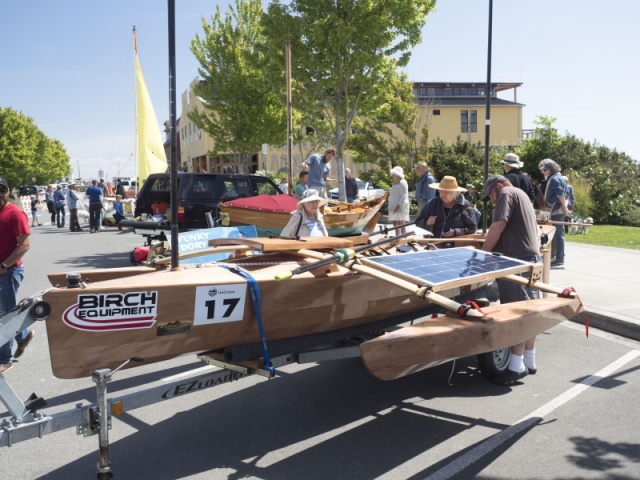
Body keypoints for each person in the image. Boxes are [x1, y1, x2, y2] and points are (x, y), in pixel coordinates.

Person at [480, 174, 542, 386]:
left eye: (492, 196)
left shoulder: (507, 193)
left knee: (517, 313)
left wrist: (483, 253)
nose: (494, 200)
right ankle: (530, 361)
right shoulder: (523, 194)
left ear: (498, 187)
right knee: (530, 311)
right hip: (532, 259)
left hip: (516, 260)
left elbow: (499, 225)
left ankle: (516, 367)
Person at [0, 177, 34, 374]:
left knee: (5, 316)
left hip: (9, 271)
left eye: (2, 190)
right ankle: (23, 335)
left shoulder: (14, 213)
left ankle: (5, 359)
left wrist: (4, 266)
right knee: (6, 313)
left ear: (8, 191)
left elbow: (25, 244)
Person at [538, 159, 570, 267]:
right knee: (557, 234)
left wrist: (565, 207)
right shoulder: (558, 177)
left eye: (544, 170)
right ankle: (555, 256)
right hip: (557, 209)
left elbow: (560, 194)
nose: (543, 172)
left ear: (550, 169)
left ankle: (559, 258)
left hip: (556, 210)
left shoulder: (555, 179)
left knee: (557, 234)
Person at [388, 166, 410, 234]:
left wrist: (398, 206)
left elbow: (404, 195)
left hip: (399, 207)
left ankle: (403, 238)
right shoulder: (396, 183)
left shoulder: (402, 182)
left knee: (401, 224)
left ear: (398, 174)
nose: (392, 175)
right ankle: (398, 238)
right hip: (395, 207)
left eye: (393, 174)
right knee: (396, 223)